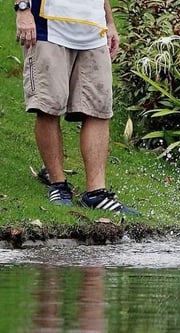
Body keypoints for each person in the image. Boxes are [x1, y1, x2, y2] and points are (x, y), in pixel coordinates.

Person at [16, 0, 139, 215]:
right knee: (48, 107)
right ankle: (58, 185)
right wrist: (23, 9)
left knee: (98, 110)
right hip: (48, 26)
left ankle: (96, 194)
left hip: (93, 29)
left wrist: (109, 21)